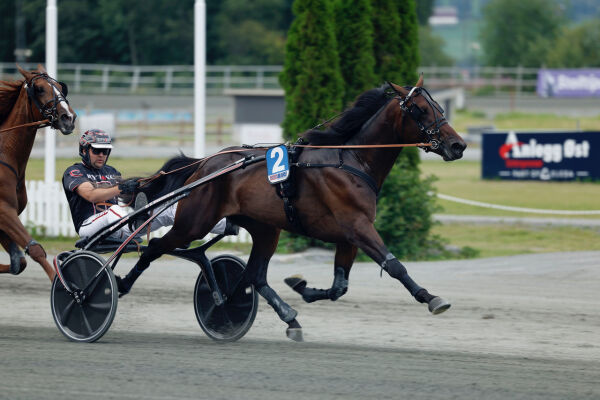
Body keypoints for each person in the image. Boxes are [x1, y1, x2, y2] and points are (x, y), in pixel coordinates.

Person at [62, 129, 232, 241]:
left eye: (105, 151)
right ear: (84, 151)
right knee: (113, 211)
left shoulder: (111, 171)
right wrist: (121, 187)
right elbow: (90, 195)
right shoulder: (74, 172)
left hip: (120, 225)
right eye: (96, 151)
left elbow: (125, 197)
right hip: (90, 227)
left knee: (168, 209)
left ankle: (226, 224)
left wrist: (142, 188)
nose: (101, 155)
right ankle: (135, 221)